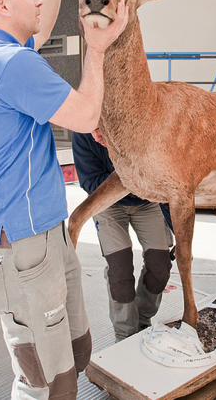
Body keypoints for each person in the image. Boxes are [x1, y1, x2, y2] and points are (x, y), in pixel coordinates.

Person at [0, 0, 128, 400]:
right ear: (1, 5)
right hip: (23, 251)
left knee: (74, 355)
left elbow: (43, 26)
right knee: (44, 382)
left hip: (45, 238)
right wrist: (96, 48)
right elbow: (86, 113)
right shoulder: (8, 64)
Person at [72, 128, 173, 342]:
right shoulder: (81, 135)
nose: (98, 136)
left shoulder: (134, 127)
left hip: (146, 202)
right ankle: (125, 334)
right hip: (106, 203)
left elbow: (160, 174)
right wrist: (134, 182)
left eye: (102, 131)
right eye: (95, 131)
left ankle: (142, 321)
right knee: (120, 270)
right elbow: (90, 182)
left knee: (160, 266)